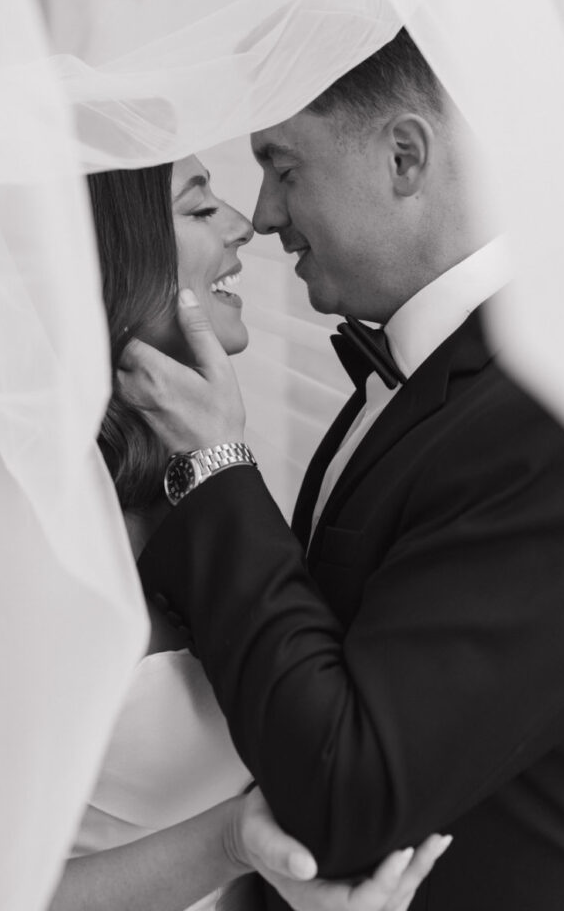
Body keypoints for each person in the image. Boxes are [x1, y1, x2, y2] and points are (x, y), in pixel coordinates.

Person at [119, 30, 564, 910]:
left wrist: (214, 468)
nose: (263, 215)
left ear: (404, 155)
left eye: (283, 168)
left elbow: (345, 790)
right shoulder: (422, 383)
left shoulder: (561, 411)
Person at [47, 157, 448, 911]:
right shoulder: (41, 543)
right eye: (199, 210)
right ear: (108, 259)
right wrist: (233, 842)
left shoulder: (193, 487)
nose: (246, 224)